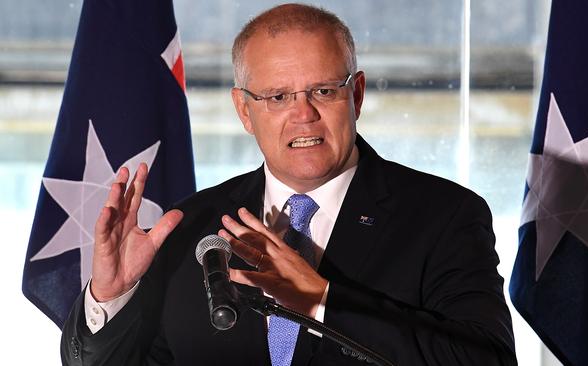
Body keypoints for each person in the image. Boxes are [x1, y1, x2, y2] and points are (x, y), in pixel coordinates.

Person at [61, 3, 517, 365]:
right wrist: (111, 296)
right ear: (244, 110)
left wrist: (321, 301)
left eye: (324, 91)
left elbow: (488, 358)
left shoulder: (445, 215)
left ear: (355, 94)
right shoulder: (191, 227)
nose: (304, 114)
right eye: (278, 97)